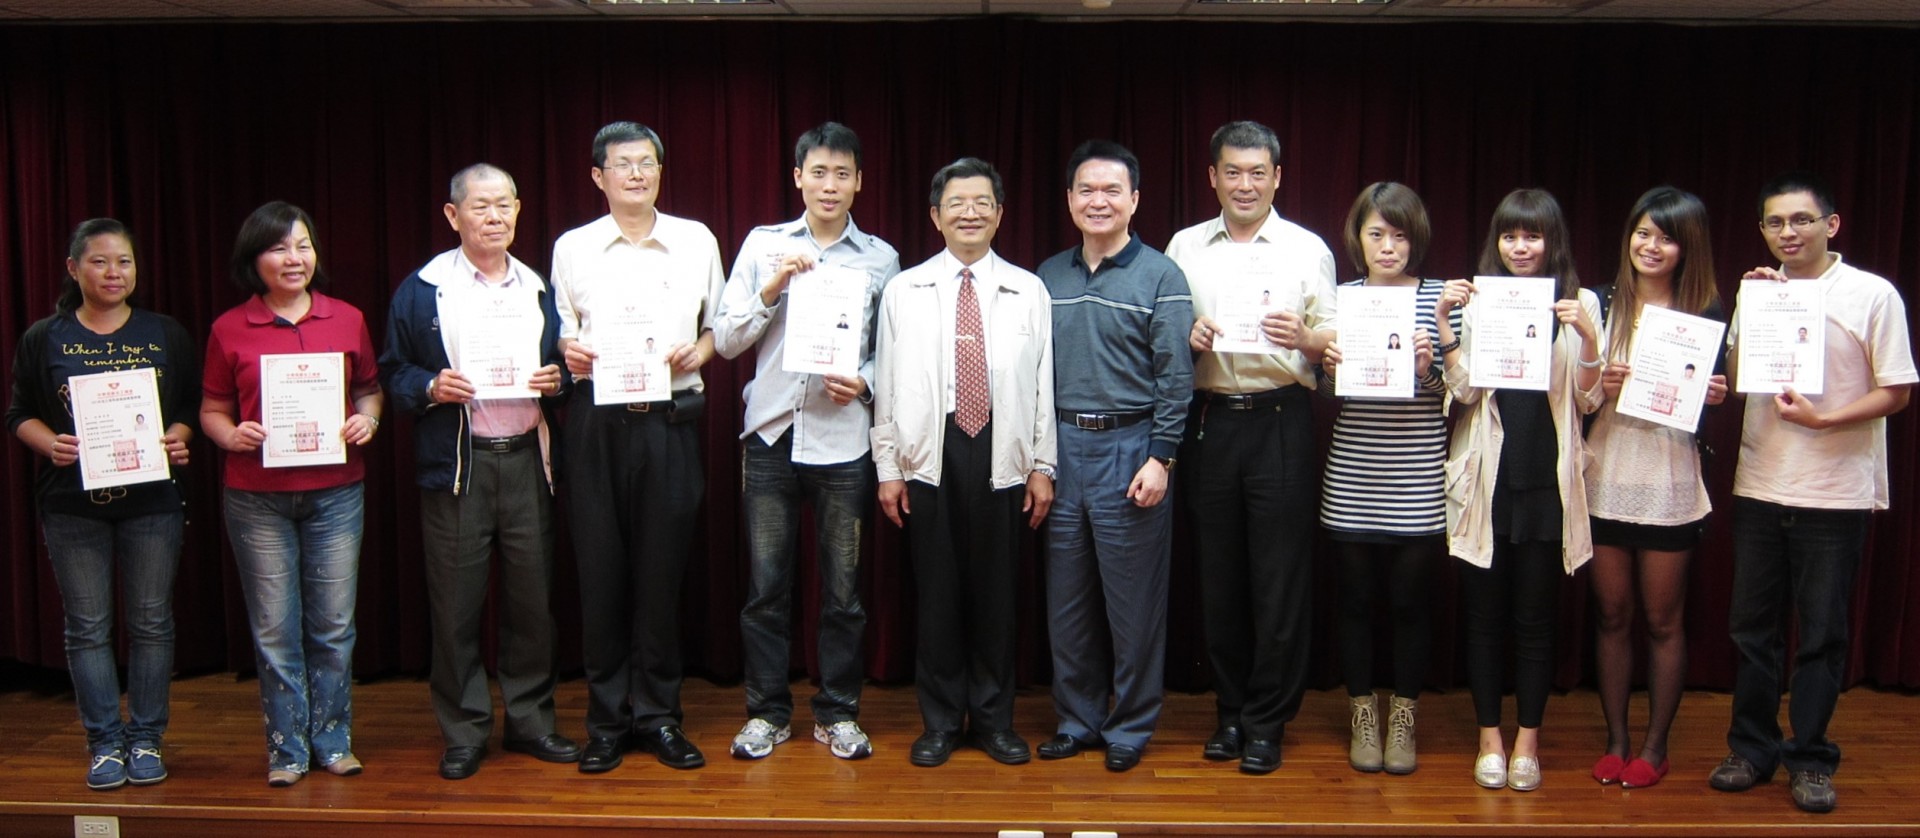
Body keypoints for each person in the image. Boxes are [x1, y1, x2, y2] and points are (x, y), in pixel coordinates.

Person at [1712, 172, 1915, 813]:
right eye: (1775, 222)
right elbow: (1739, 380)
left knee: (1822, 633)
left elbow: (1897, 390)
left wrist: (1825, 420)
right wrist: (1752, 305)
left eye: (1801, 220)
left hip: (1835, 490)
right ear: (1762, 231)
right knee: (1752, 630)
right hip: (1761, 483)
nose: (1788, 233)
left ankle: (1811, 758)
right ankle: (1752, 750)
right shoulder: (1758, 292)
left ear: (1831, 224)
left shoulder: (1872, 294)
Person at [378, 164, 579, 780]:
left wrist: (559, 380)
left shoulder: (536, 286)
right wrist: (430, 386)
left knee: (532, 603)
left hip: (526, 461)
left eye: (505, 205)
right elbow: (393, 372)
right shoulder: (424, 289)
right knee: (456, 606)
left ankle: (531, 722)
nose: (495, 218)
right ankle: (464, 730)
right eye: (481, 206)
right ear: (453, 215)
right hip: (458, 467)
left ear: (518, 210)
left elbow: (564, 371)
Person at [713, 122, 899, 762]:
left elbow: (891, 352)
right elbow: (726, 339)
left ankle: (838, 713)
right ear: (798, 177)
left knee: (843, 592)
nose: (829, 185)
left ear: (859, 182)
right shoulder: (763, 244)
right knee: (766, 589)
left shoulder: (880, 258)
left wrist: (864, 382)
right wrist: (771, 290)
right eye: (818, 172)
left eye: (842, 174)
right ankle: (766, 714)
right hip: (770, 434)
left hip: (843, 442)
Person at [871, 157, 1055, 767]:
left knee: (998, 595)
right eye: (956, 203)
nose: (969, 213)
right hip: (931, 451)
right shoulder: (905, 290)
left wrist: (1043, 466)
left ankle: (996, 720)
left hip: (1004, 450)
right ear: (935, 215)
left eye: (982, 203)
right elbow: (887, 383)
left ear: (1000, 213)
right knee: (938, 594)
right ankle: (942, 722)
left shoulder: (1029, 289)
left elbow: (1044, 386)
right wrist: (888, 468)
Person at [553, 121, 725, 773]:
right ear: (598, 176)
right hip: (596, 425)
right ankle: (605, 722)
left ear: (659, 171)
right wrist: (569, 353)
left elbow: (717, 327)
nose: (637, 173)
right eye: (623, 164)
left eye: (647, 162)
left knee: (660, 576)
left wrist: (699, 352)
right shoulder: (573, 247)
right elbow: (564, 332)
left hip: (669, 421)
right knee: (600, 576)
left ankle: (658, 717)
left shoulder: (695, 239)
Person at [7, 219, 197, 791]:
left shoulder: (164, 333)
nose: (114, 273)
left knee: (151, 623)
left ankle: (146, 737)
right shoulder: (45, 337)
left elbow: (188, 406)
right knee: (88, 628)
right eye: (100, 261)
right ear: (73, 269)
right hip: (72, 504)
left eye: (124, 262)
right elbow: (19, 413)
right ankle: (104, 744)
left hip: (153, 501)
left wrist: (178, 436)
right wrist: (49, 443)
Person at [1165, 121, 1331, 775]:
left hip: (1281, 418)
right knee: (1220, 577)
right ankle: (1230, 712)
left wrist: (1305, 338)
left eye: (1257, 172)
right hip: (1209, 420)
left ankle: (1268, 721)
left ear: (1277, 178)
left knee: (1278, 579)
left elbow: (1334, 341)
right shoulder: (1184, 246)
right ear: (1212, 177)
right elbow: (1164, 340)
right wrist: (1187, 338)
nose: (1245, 184)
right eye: (1232, 172)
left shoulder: (1306, 248)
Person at [201, 201, 383, 787]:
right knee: (275, 630)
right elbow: (212, 409)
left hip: (336, 494)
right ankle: (286, 748)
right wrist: (229, 435)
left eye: (303, 246)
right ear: (254, 259)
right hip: (257, 497)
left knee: (333, 626)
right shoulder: (229, 328)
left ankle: (332, 740)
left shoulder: (347, 318)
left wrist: (368, 420)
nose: (294, 258)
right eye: (279, 248)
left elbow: (370, 390)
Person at [1036, 140, 1193, 773]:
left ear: (1134, 199)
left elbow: (1175, 376)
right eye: (1086, 190)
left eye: (1111, 190)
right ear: (1069, 199)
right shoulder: (1047, 277)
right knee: (1067, 601)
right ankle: (1076, 719)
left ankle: (1129, 725)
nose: (1097, 201)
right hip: (1061, 447)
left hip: (1132, 448)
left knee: (1134, 605)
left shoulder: (1161, 275)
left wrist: (1162, 458)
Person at [1438, 188, 1602, 792]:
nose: (1520, 247)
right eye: (1510, 236)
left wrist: (1588, 338)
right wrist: (1445, 325)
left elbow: (1589, 399)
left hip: (1548, 488)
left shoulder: (1581, 302)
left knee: (1535, 619)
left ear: (1551, 240)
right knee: (1483, 619)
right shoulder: (1480, 300)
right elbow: (1464, 392)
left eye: (1532, 235)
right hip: (1489, 480)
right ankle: (1490, 740)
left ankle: (1528, 743)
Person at [1584, 186, 1727, 789]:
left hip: (1668, 478)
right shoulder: (1598, 302)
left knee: (1663, 620)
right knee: (1611, 615)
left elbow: (1709, 400)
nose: (1651, 246)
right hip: (1605, 475)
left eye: (1666, 238)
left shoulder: (1707, 311)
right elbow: (1573, 396)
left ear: (1687, 247)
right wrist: (1600, 384)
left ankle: (1655, 746)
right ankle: (1617, 740)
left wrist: (1713, 397)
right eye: (1643, 233)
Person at [1314, 183, 1454, 776]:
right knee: (1354, 601)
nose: (1388, 246)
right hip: (1353, 472)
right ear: (1359, 239)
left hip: (1418, 474)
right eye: (1376, 234)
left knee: (1410, 604)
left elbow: (1462, 393)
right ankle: (1362, 715)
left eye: (1399, 235)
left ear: (1415, 238)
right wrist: (1327, 369)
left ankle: (1404, 717)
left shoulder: (1441, 298)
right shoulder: (1342, 299)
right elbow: (1326, 393)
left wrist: (1427, 370)